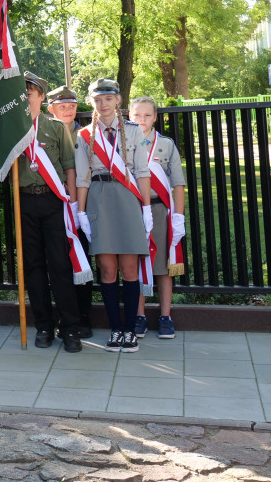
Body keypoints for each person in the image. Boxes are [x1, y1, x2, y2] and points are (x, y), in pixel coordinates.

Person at [75, 78, 153, 353]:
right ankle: (116, 329)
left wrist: (145, 208)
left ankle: (130, 329)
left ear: (118, 100)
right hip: (98, 198)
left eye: (108, 98)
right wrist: (81, 212)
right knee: (108, 270)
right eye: (97, 99)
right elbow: (82, 178)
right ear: (92, 102)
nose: (103, 104)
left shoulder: (132, 131)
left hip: (127, 198)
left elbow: (142, 171)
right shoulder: (84, 135)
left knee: (129, 270)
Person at [15, 73, 83, 353]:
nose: (25, 98)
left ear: (41, 98)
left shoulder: (56, 128)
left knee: (60, 266)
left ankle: (69, 328)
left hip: (53, 201)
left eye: (30, 93)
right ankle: (43, 326)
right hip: (25, 203)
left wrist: (75, 206)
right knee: (33, 268)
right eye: (22, 94)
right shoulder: (12, 130)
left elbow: (69, 167)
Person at [129, 96, 186, 339]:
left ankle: (165, 316)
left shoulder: (166, 145)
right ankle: (139, 315)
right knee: (135, 264)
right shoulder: (122, 143)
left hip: (160, 209)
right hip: (132, 209)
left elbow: (178, 183)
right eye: (137, 115)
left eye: (147, 115)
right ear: (129, 117)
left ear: (155, 117)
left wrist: (179, 217)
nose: (142, 120)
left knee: (163, 266)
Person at [46, 84, 93, 337]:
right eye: (62, 106)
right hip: (53, 207)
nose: (68, 111)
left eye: (72, 106)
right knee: (57, 265)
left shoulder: (85, 135)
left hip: (80, 208)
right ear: (50, 108)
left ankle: (83, 318)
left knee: (82, 260)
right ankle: (63, 316)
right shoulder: (43, 132)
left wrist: (78, 208)